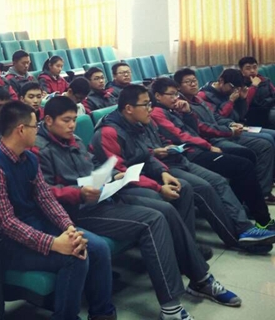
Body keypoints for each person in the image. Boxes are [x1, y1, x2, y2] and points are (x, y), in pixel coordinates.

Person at [37, 97, 241, 319]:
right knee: (152, 221)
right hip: (77, 212)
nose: (72, 125)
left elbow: (94, 166)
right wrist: (79, 193)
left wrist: (114, 174)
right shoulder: (39, 149)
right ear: (48, 120)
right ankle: (171, 307)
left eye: (74, 120)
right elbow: (45, 192)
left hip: (101, 196)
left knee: (167, 210)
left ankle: (200, 280)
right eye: (66, 120)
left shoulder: (74, 140)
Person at [0, 100, 116, 320]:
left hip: (34, 224)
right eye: (34, 126)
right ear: (21, 130)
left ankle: (102, 314)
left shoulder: (29, 157)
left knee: (98, 247)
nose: (37, 131)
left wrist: (69, 228)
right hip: (6, 243)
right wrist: (54, 243)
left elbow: (45, 198)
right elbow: (7, 223)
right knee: (75, 257)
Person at [90, 84, 275, 251]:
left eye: (150, 104)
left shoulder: (140, 120)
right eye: (145, 104)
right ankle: (234, 238)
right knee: (202, 187)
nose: (149, 108)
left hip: (171, 161)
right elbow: (125, 167)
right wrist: (160, 171)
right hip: (151, 171)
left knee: (218, 181)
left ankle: (244, 229)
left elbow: (154, 145)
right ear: (129, 108)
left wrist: (166, 152)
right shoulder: (111, 131)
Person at [150, 77, 275, 230]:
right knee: (243, 165)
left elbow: (195, 130)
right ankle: (262, 220)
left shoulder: (174, 109)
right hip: (190, 154)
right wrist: (208, 146)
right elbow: (180, 136)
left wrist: (188, 113)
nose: (176, 98)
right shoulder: (157, 113)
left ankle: (246, 208)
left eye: (176, 94)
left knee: (246, 158)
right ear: (158, 96)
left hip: (197, 148)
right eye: (171, 94)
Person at [176, 68, 275, 204]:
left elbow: (227, 116)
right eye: (188, 82)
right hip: (213, 139)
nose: (193, 84)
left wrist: (238, 108)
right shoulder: (200, 97)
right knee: (262, 146)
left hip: (226, 129)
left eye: (194, 80)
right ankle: (257, 193)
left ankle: (260, 188)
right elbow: (202, 127)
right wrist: (230, 105)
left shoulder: (198, 99)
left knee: (268, 139)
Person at [239, 56, 275, 127]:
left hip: (271, 106)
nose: (252, 71)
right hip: (256, 113)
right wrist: (254, 86)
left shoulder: (265, 80)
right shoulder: (240, 84)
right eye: (248, 68)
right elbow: (245, 103)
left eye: (255, 67)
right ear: (241, 71)